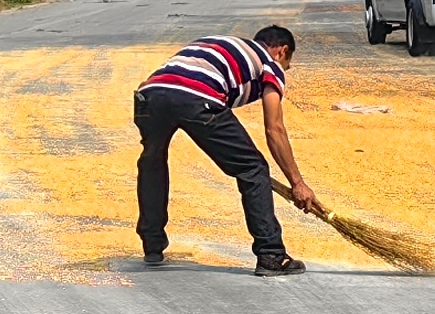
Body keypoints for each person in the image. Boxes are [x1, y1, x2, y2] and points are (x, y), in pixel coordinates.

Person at [134, 23, 320, 273]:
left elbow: (177, 83)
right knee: (253, 168)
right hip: (198, 97)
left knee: (153, 161)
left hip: (150, 95)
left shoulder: (221, 45)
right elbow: (274, 129)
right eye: (288, 63)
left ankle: (152, 245)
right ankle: (271, 254)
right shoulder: (270, 63)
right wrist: (297, 183)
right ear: (282, 51)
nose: (286, 69)